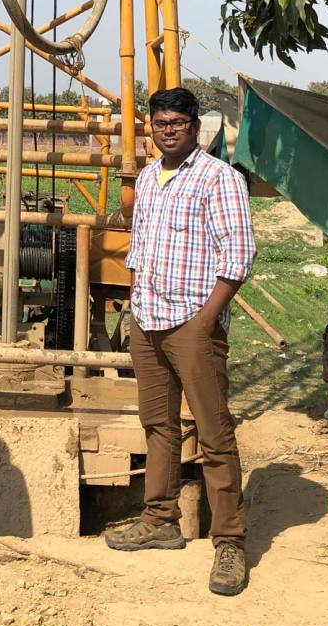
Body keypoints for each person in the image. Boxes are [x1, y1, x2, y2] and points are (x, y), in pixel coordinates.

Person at [104, 88, 256, 596]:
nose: (168, 129)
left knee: (214, 433)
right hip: (147, 320)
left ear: (196, 127)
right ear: (152, 126)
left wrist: (207, 320)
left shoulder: (220, 179)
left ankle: (230, 540)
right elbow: (139, 246)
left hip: (194, 323)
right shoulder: (148, 178)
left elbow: (238, 255)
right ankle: (160, 519)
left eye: (178, 122)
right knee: (158, 425)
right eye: (161, 122)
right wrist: (132, 305)